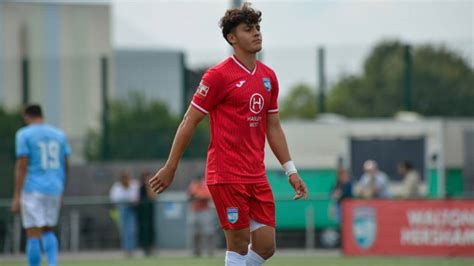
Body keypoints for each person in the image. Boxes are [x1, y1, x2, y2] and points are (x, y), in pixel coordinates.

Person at [149, 3, 308, 266]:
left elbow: (274, 127)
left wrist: (290, 170)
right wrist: (170, 166)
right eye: (248, 29)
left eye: (257, 28)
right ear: (232, 38)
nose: (257, 33)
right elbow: (189, 121)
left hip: (256, 174)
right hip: (226, 174)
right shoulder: (218, 76)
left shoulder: (269, 77)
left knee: (267, 246)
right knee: (239, 244)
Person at [11, 104, 71, 266]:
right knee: (48, 229)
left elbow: (22, 165)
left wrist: (17, 195)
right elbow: (66, 164)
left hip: (32, 188)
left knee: (33, 233)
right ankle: (52, 264)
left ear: (27, 117)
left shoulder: (24, 134)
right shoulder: (59, 135)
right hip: (54, 188)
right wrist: (62, 189)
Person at [109, 172, 139, 257]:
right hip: (121, 210)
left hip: (132, 210)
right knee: (124, 231)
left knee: (132, 230)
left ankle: (131, 250)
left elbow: (135, 197)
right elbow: (114, 198)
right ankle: (126, 250)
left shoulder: (134, 184)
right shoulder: (116, 187)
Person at [187, 175, 215, 257]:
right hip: (194, 211)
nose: (198, 181)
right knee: (195, 234)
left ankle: (210, 251)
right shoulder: (193, 185)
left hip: (205, 211)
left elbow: (207, 196)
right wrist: (197, 196)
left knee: (208, 232)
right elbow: (189, 196)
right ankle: (196, 252)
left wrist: (197, 196)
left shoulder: (204, 185)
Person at [136, 171, 156, 256]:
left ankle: (151, 248)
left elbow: (152, 197)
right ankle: (144, 249)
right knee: (143, 230)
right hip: (142, 214)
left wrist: (149, 186)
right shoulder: (140, 188)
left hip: (150, 214)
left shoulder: (151, 187)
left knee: (150, 230)